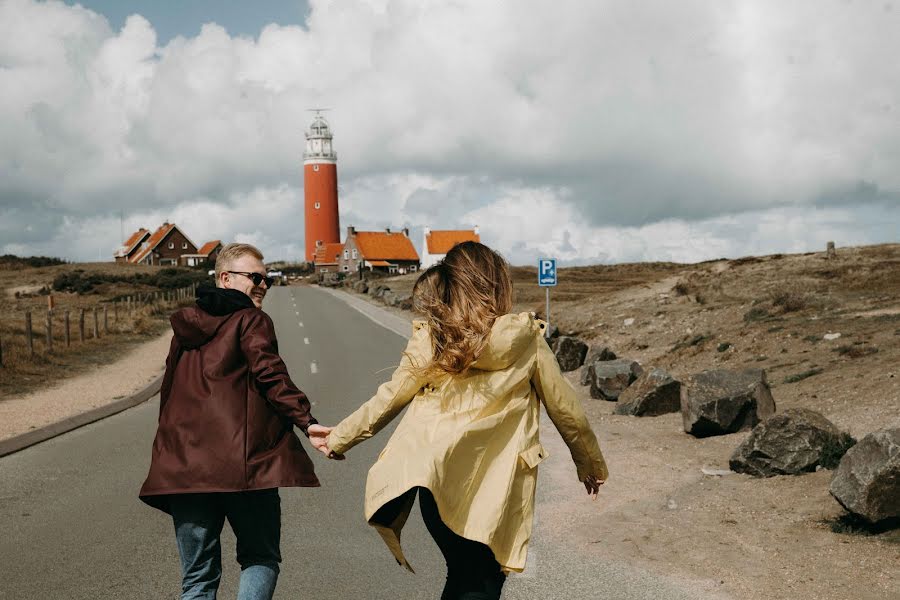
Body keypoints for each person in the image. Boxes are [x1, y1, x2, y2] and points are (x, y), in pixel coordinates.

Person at [310, 241, 608, 600]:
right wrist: (588, 462)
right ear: (495, 284)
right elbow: (566, 409)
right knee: (483, 580)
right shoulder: (525, 339)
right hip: (493, 487)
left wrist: (341, 436)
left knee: (465, 576)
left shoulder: (435, 336)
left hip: (436, 481)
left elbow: (392, 394)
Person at [139, 242, 331, 600]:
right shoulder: (251, 319)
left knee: (197, 579)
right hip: (245, 468)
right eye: (255, 277)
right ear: (225, 277)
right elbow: (271, 375)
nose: (263, 285)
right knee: (260, 557)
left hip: (184, 469)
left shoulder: (185, 327)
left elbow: (168, 396)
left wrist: (166, 455)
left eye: (267, 279)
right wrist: (307, 422)